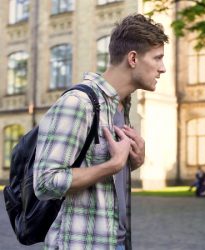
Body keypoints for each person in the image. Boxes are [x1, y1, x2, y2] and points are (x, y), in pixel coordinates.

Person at [33, 14, 168, 250]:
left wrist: (131, 162)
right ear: (133, 58)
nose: (163, 68)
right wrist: (113, 165)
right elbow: (45, 182)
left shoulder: (121, 105)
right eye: (158, 58)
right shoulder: (78, 103)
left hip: (115, 242)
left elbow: (98, 173)